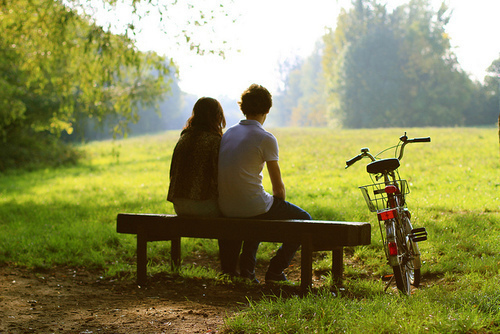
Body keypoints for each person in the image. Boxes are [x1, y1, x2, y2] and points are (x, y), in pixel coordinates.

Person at [218, 84, 312, 283]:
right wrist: (278, 205)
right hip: (251, 206)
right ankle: (276, 270)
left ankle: (247, 271)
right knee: (304, 219)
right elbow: (278, 189)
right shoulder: (265, 138)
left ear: (243, 107)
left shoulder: (228, 134)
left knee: (259, 207)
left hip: (226, 206)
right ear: (268, 109)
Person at [167, 97, 225, 218]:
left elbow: (172, 172)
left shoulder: (184, 138)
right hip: (204, 205)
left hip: (179, 206)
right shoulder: (215, 141)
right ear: (217, 116)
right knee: (234, 214)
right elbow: (221, 177)